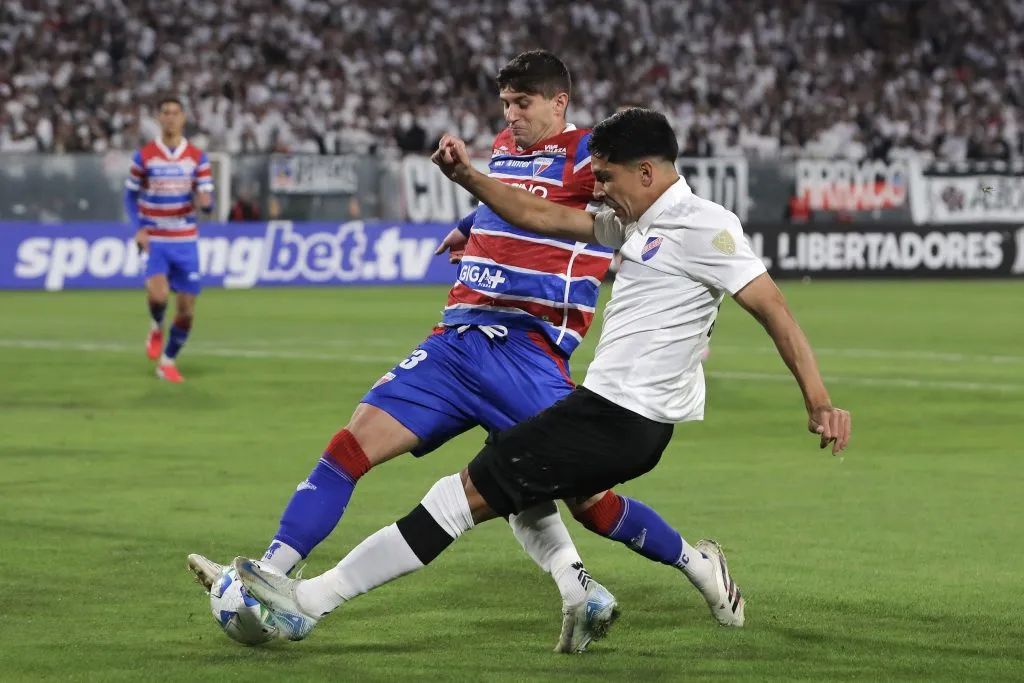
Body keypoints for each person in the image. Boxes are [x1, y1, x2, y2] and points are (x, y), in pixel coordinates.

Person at [231, 108, 852, 648]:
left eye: (605, 177)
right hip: (600, 411)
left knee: (460, 498)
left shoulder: (705, 225)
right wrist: (470, 180)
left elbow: (774, 309)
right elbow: (542, 216)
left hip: (625, 420)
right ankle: (685, 569)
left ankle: (306, 603)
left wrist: (819, 401)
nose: (597, 189)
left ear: (647, 172)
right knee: (530, 494)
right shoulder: (631, 223)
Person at [188, 52, 707, 654]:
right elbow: (509, 195)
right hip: (456, 339)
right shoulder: (506, 148)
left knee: (583, 500)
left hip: (530, 347)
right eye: (506, 103)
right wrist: (470, 220)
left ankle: (694, 564)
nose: (511, 116)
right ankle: (273, 574)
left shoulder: (592, 156)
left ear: (559, 102)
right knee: (349, 446)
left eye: (524, 104)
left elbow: (627, 206)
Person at [125, 95, 214, 383]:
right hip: (157, 238)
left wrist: (206, 201)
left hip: (186, 239)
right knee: (158, 296)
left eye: (176, 112)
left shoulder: (197, 157)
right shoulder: (145, 155)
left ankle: (168, 361)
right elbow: (130, 195)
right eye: (166, 112)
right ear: (159, 118)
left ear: (183, 118)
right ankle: (156, 325)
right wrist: (139, 227)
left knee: (187, 312)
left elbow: (207, 197)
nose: (171, 117)